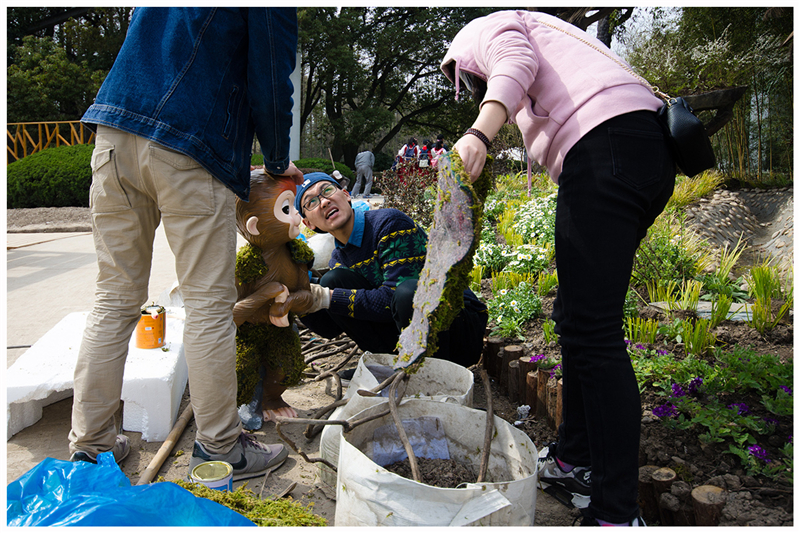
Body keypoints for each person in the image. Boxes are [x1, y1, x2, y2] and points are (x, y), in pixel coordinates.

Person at [441, 10, 676, 527]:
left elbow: (514, 62)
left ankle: (616, 512)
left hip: (605, 148)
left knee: (594, 332)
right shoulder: (552, 30)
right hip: (640, 151)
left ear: (462, 66)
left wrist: (480, 131)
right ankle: (575, 460)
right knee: (576, 317)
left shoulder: (485, 30)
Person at [70, 8, 303, 481]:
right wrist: (278, 159)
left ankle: (91, 448)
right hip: (192, 141)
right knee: (208, 306)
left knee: (114, 299)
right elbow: (272, 76)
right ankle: (221, 449)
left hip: (114, 133)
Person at [295, 173, 488, 368]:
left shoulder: (390, 225)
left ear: (346, 194)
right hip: (408, 336)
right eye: (311, 202)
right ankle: (388, 366)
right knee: (333, 280)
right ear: (309, 224)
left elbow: (395, 298)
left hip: (460, 332)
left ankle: (433, 377)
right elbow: (330, 329)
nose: (324, 202)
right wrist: (297, 294)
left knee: (407, 293)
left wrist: (328, 297)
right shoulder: (339, 258)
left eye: (327, 190)